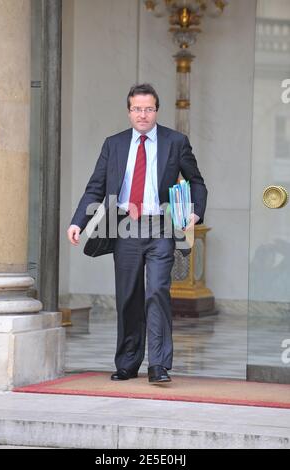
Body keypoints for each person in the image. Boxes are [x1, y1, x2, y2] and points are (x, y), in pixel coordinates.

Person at [67, 83, 207, 384]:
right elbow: (96, 186)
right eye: (137, 109)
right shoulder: (114, 144)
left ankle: (159, 365)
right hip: (125, 229)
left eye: (148, 109)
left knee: (157, 291)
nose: (143, 115)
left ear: (156, 110)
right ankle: (128, 363)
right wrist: (78, 221)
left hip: (161, 227)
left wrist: (195, 211)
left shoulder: (175, 142)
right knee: (129, 296)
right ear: (129, 112)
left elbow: (197, 181)